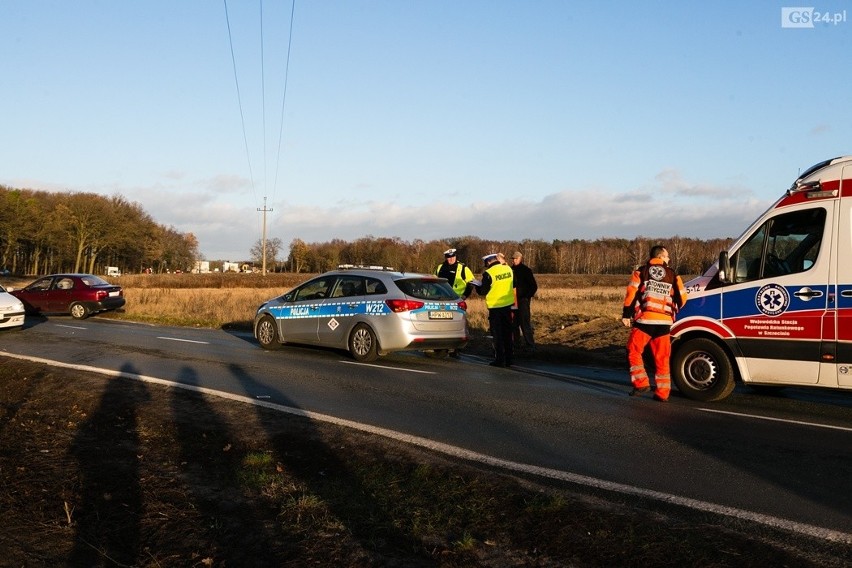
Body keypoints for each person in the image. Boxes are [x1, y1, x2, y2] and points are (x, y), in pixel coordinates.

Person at [622, 245, 687, 402]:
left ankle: (641, 383)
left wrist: (626, 314)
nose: (669, 259)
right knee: (662, 357)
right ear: (660, 256)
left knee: (633, 350)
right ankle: (663, 393)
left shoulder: (641, 271)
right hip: (664, 322)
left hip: (646, 320)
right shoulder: (673, 274)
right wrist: (671, 310)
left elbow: (631, 294)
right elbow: (683, 298)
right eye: (667, 256)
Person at [476, 253, 515, 367]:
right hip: (507, 306)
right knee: (507, 333)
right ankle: (509, 358)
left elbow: (483, 291)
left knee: (498, 335)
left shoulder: (488, 273)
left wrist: (477, 286)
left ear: (488, 262)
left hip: (495, 308)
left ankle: (499, 359)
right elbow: (514, 284)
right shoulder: (508, 269)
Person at [510, 251, 538, 350]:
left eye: (516, 258)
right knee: (513, 324)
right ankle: (516, 344)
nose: (514, 260)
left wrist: (526, 297)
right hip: (512, 300)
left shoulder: (526, 270)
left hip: (523, 301)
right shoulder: (510, 270)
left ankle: (530, 344)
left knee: (524, 323)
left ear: (520, 259)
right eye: (513, 259)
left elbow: (534, 286)